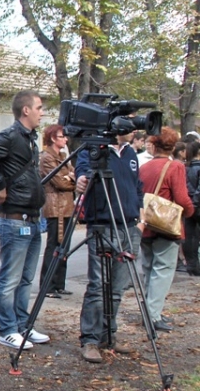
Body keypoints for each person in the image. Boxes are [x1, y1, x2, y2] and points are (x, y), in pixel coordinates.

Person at [0, 90, 48, 350]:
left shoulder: (29, 140)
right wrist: (0, 184)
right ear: (25, 110)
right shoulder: (11, 136)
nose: (42, 112)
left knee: (26, 279)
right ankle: (7, 330)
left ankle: (23, 326)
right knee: (10, 279)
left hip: (32, 219)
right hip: (15, 219)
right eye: (39, 107)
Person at [75, 136, 145, 363]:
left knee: (117, 287)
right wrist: (81, 180)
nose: (131, 128)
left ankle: (108, 335)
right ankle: (90, 340)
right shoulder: (95, 149)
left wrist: (141, 219)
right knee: (97, 286)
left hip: (129, 226)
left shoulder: (130, 153)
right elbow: (83, 174)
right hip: (103, 226)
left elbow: (137, 187)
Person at [139, 128, 194, 333]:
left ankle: (150, 312)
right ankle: (153, 316)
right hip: (166, 225)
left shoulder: (144, 167)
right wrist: (189, 211)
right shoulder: (175, 167)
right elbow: (181, 198)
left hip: (147, 223)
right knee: (162, 271)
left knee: (148, 269)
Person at [39, 124, 76, 299]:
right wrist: (70, 179)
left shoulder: (62, 156)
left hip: (66, 206)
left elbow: (71, 177)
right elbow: (60, 182)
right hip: (55, 207)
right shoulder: (47, 157)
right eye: (62, 136)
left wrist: (69, 178)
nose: (66, 139)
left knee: (64, 247)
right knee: (53, 246)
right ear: (53, 138)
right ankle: (47, 285)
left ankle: (59, 284)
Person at [183, 141, 200, 276]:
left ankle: (191, 264)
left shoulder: (184, 167)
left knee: (189, 235)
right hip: (197, 204)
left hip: (187, 205)